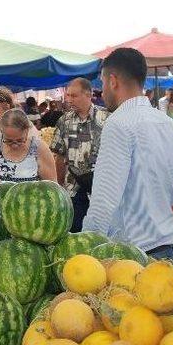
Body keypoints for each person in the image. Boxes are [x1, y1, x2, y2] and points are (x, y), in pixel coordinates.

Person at [83, 48, 173, 268]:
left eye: (102, 83)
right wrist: (172, 210)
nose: (102, 91)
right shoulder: (170, 125)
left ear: (113, 81)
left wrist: (85, 248)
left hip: (138, 260)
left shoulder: (119, 124)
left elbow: (103, 201)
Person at [50, 77, 109, 232]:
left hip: (102, 190)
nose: (70, 100)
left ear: (89, 94)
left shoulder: (107, 118)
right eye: (68, 95)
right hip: (73, 189)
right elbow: (59, 156)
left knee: (100, 234)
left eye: (74, 96)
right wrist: (59, 186)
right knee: (76, 233)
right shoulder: (64, 121)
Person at [0, 109, 56, 182]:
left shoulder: (39, 148)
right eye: (9, 141)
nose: (15, 145)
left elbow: (52, 186)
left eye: (20, 140)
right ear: (1, 131)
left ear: (27, 131)